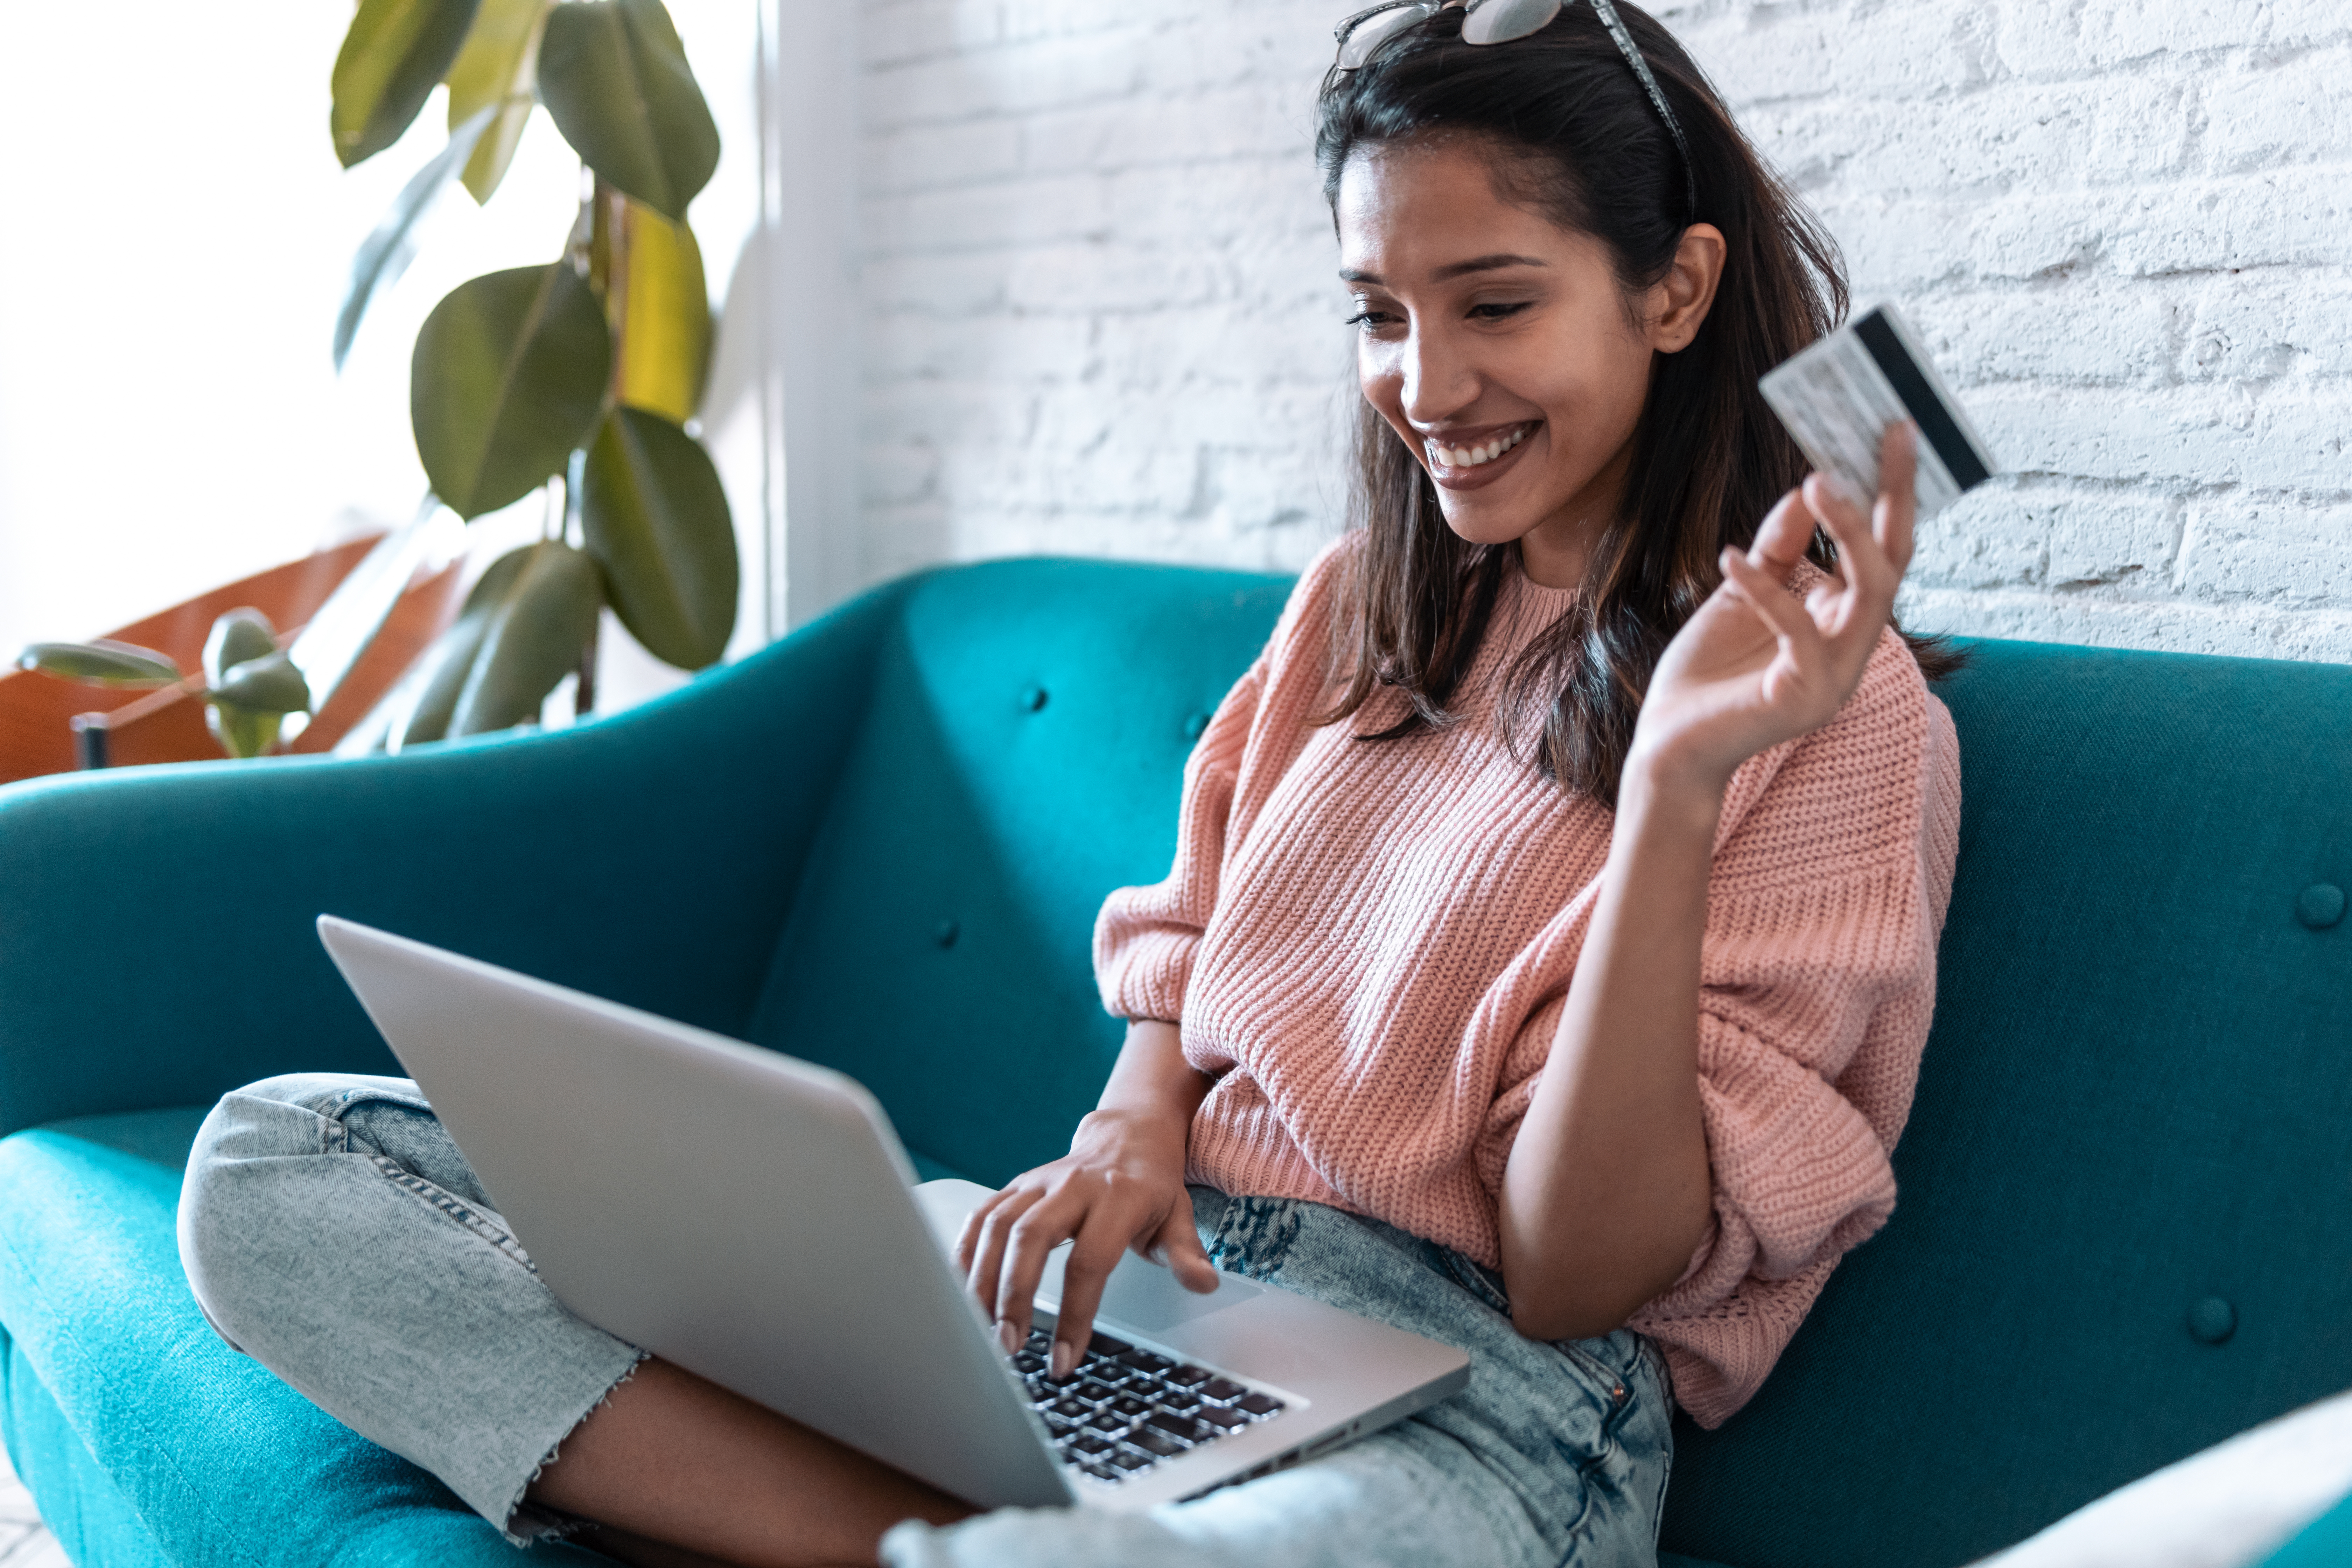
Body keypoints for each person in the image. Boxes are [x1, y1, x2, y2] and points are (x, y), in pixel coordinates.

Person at [176, 2, 1961, 1565]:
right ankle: (940, 1526)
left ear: (1677, 285)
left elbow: (1581, 1277)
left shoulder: (1839, 714)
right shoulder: (1367, 605)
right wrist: (1126, 1126)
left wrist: (1667, 786)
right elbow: (1183, 968)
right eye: (1375, 314)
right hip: (1147, 1312)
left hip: (1484, 1415)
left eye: (1495, 303)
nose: (1426, 387)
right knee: (277, 1164)